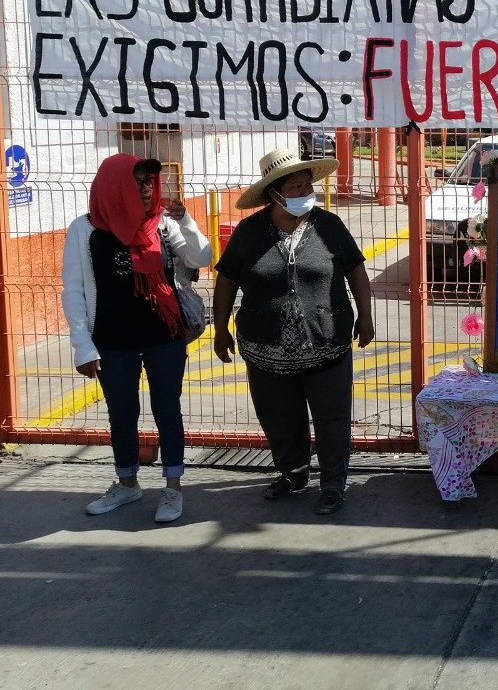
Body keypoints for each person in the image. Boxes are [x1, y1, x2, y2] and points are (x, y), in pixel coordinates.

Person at [212, 148, 374, 516]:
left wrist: (365, 317)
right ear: (274, 194)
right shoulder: (249, 232)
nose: (304, 191)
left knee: (332, 417)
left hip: (326, 343)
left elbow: (357, 273)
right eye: (295, 187)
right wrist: (220, 330)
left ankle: (333, 484)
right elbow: (226, 282)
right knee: (278, 416)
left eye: (306, 185)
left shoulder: (329, 226)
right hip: (264, 348)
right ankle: (293, 472)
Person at [62, 154, 212, 523]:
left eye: (148, 182)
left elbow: (201, 255)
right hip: (112, 341)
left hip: (165, 335)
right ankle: (127, 485)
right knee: (122, 413)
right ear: (114, 186)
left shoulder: (161, 222)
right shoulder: (85, 230)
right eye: (137, 182)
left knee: (167, 409)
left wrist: (187, 221)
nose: (146, 189)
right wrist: (82, 345)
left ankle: (173, 490)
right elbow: (74, 290)